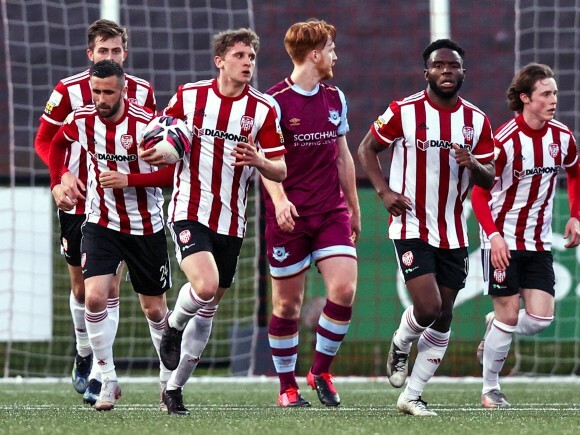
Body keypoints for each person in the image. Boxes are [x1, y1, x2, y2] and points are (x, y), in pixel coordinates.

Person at [358, 39, 495, 416]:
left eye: (453, 66)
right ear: (427, 72)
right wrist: (383, 191)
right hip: (410, 224)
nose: (447, 71)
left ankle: (412, 396)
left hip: (452, 230)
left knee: (446, 314)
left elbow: (490, 178)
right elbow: (366, 148)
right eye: (439, 66)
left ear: (463, 72)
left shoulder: (477, 121)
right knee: (429, 306)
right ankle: (402, 342)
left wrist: (474, 165)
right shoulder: (403, 111)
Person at [154, 28, 287, 415]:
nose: (248, 63)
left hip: (232, 221)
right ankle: (174, 326)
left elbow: (280, 169)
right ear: (220, 61)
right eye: (241, 55)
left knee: (210, 307)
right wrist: (158, 150)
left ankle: (174, 389)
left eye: (252, 57)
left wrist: (260, 161)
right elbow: (158, 139)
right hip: (188, 209)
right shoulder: (189, 96)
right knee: (206, 285)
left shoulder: (263, 110)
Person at [33, 18, 159, 406]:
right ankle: (84, 353)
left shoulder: (142, 91)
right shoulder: (68, 90)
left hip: (119, 204)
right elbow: (44, 140)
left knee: (107, 289)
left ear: (125, 53)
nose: (109, 56)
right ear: (90, 55)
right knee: (81, 287)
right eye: (102, 51)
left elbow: (149, 145)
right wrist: (60, 178)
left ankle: (105, 375)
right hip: (78, 196)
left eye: (115, 50)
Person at [471, 63, 580, 408]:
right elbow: (479, 193)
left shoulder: (562, 137)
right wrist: (493, 236)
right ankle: (490, 388)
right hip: (501, 239)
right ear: (525, 98)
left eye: (555, 93)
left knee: (540, 320)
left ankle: (495, 327)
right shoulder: (504, 141)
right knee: (508, 314)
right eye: (546, 94)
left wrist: (575, 217)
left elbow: (576, 174)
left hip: (538, 241)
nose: (553, 100)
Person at [262, 19, 360, 408]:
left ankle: (320, 370)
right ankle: (287, 387)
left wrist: (353, 206)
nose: (335, 54)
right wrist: (281, 200)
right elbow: (264, 164)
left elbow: (343, 157)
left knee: (345, 289)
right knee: (287, 305)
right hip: (287, 217)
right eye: (331, 48)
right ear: (315, 54)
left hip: (329, 211)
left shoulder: (335, 98)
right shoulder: (273, 102)